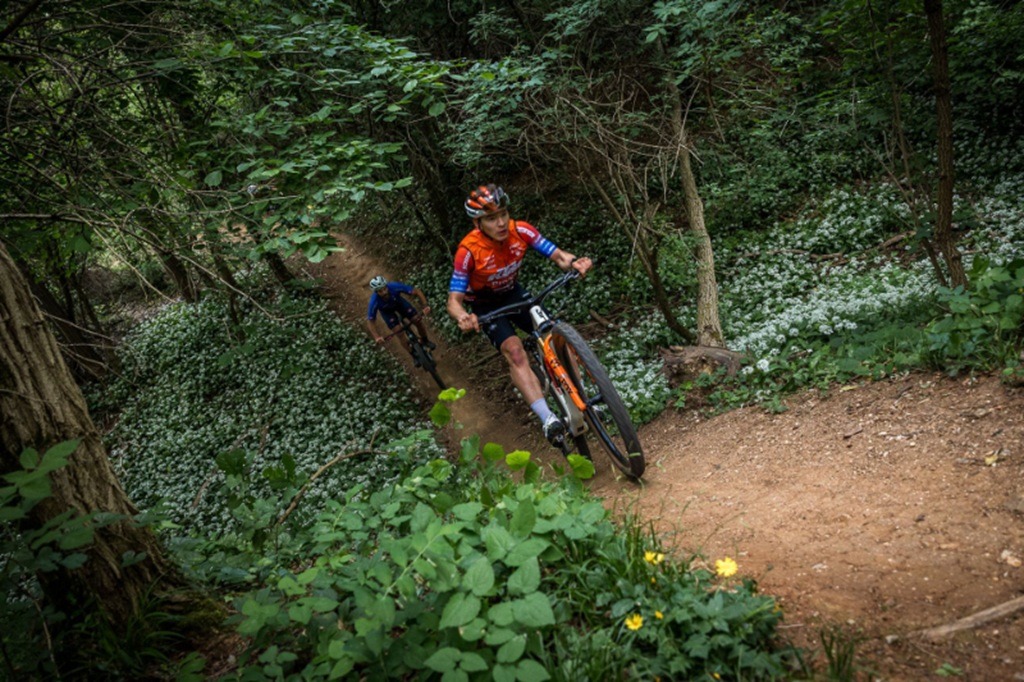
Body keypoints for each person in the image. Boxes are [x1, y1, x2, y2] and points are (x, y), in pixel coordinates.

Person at [446, 184, 592, 444]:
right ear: (478, 223)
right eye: (492, 218)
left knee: (554, 336)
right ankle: (548, 418)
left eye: (503, 214)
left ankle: (583, 400)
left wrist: (574, 262)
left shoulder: (521, 230)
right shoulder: (468, 251)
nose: (501, 222)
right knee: (514, 351)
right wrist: (463, 317)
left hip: (513, 293)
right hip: (485, 305)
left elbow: (560, 256)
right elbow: (453, 301)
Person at [367, 276, 435, 361]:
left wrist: (425, 306)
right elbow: (371, 320)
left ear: (387, 286)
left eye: (385, 288)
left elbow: (416, 291)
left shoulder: (394, 286)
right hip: (387, 313)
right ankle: (413, 354)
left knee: (417, 320)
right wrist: (376, 337)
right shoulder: (374, 301)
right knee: (399, 332)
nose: (384, 292)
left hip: (400, 304)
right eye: (380, 291)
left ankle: (425, 340)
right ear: (376, 292)